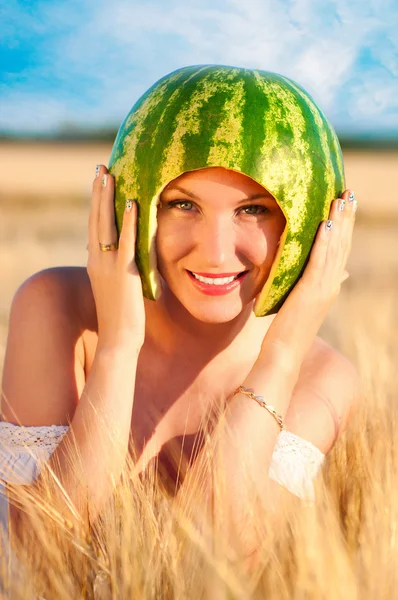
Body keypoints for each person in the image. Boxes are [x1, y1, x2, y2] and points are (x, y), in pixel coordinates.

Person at [0, 163, 360, 561]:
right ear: (129, 203)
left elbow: (208, 566)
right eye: (184, 204)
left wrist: (282, 357)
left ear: (310, 221)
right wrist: (118, 348)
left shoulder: (323, 377)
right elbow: (32, 559)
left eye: (254, 210)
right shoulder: (56, 307)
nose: (217, 252)